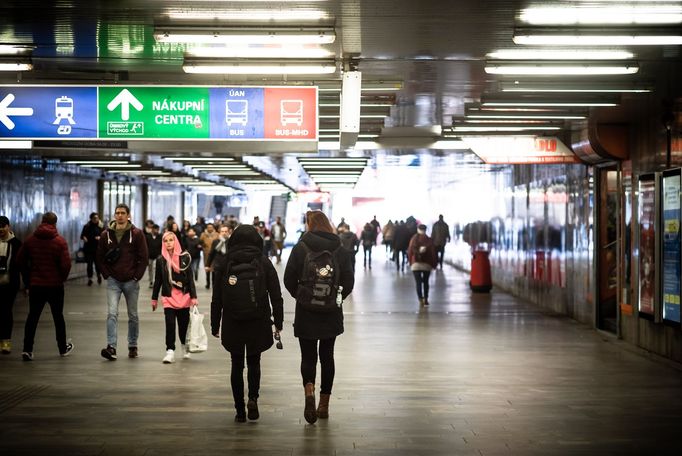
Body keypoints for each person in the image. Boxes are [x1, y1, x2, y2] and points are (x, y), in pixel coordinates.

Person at [284, 210, 354, 424]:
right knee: (327, 356)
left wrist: (303, 296)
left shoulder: (300, 248)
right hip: (331, 311)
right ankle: (323, 406)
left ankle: (309, 391)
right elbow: (349, 282)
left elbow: (288, 280)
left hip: (306, 311)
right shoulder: (340, 249)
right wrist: (335, 298)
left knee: (308, 356)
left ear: (310, 224)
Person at [211, 224, 284, 422]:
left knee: (236, 364)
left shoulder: (225, 262)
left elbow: (216, 297)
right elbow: (276, 295)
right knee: (254, 361)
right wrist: (278, 321)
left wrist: (214, 323)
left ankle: (239, 410)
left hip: (232, 320)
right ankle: (253, 398)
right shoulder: (263, 262)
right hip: (258, 319)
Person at [16, 212, 73, 361]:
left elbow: (20, 260)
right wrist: (61, 278)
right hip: (55, 286)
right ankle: (62, 348)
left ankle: (27, 350)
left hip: (36, 285)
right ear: (55, 223)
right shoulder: (60, 242)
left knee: (32, 317)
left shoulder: (30, 240)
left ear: (42, 222)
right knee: (58, 317)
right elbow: (66, 264)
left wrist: (28, 279)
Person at [96, 203, 149, 361]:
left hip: (131, 282)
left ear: (128, 215)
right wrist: (107, 275)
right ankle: (111, 346)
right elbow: (99, 257)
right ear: (114, 215)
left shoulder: (137, 234)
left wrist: (136, 276)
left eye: (122, 213)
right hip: (113, 281)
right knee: (112, 313)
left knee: (133, 315)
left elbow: (144, 257)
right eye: (117, 213)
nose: (119, 215)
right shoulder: (106, 235)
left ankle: (132, 345)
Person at [151, 232, 198, 364]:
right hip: (168, 297)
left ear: (175, 241)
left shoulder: (184, 257)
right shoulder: (161, 260)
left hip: (184, 296)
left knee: (183, 325)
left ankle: (184, 346)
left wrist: (194, 297)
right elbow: (158, 281)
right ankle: (170, 351)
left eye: (171, 240)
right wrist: (154, 298)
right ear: (163, 243)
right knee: (170, 324)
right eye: (166, 241)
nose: (169, 243)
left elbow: (190, 279)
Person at [0, 216, 22, 355]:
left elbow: (22, 264)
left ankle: (6, 342)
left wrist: (27, 285)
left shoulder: (16, 244)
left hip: (10, 284)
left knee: (6, 312)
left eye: (3, 226)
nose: (1, 229)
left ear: (9, 227)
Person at [408, 224, 437, 306]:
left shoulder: (414, 239)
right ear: (425, 230)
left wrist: (411, 262)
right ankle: (426, 299)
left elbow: (410, 251)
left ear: (418, 229)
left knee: (418, 283)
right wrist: (434, 264)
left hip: (415, 264)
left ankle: (420, 299)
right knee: (426, 282)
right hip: (426, 265)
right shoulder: (429, 240)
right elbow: (433, 253)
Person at [80, 212, 103, 286]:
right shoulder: (87, 226)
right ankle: (90, 279)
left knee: (97, 265)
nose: (96, 219)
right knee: (89, 265)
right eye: (94, 218)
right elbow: (82, 235)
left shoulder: (101, 226)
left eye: (97, 218)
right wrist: (84, 237)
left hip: (98, 249)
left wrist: (100, 237)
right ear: (91, 219)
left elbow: (105, 236)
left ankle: (99, 276)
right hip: (88, 249)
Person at [199, 223, 219, 289]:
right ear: (207, 228)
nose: (210, 228)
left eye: (211, 227)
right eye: (208, 227)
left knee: (213, 269)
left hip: (214, 254)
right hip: (206, 253)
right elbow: (200, 242)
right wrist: (203, 246)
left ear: (213, 228)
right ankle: (208, 283)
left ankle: (213, 283)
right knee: (207, 268)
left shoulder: (217, 234)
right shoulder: (203, 234)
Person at [145, 224, 162, 288]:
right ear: (152, 229)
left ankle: (155, 281)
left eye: (157, 230)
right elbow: (145, 246)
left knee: (155, 269)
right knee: (150, 269)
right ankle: (151, 280)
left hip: (158, 256)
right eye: (155, 229)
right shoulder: (148, 237)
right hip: (150, 255)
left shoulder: (160, 236)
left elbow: (162, 246)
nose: (157, 231)